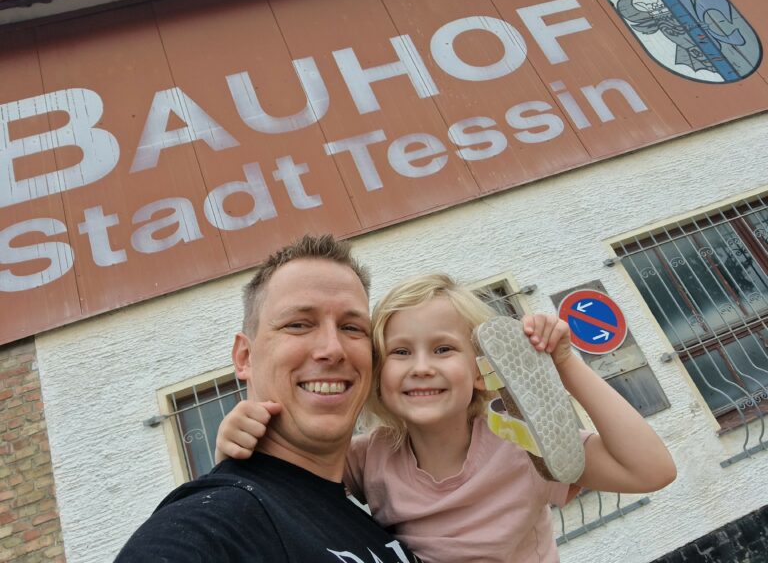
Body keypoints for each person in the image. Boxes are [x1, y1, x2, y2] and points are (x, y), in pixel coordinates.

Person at [217, 273, 677, 563]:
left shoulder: (525, 445)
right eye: (400, 352)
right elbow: (286, 488)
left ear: (480, 371)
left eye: (443, 349)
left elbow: (652, 470)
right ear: (378, 374)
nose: (421, 366)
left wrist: (565, 363)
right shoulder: (368, 458)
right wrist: (233, 444)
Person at [115, 235, 423, 562]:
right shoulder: (218, 521)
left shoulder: (382, 516)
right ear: (245, 357)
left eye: (352, 327)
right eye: (298, 324)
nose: (333, 349)